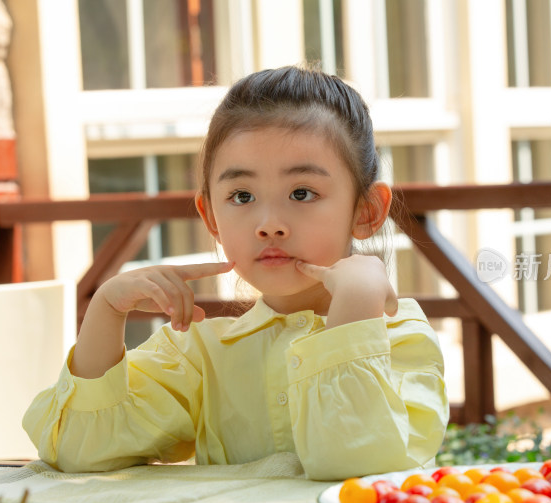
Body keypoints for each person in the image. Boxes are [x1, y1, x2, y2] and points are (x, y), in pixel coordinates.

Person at [23, 66, 448, 481]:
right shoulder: (198, 354)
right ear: (210, 216)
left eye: (302, 193)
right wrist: (105, 309)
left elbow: (357, 468)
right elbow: (80, 453)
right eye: (242, 196)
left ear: (367, 210)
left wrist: (356, 310)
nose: (269, 223)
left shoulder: (401, 338)